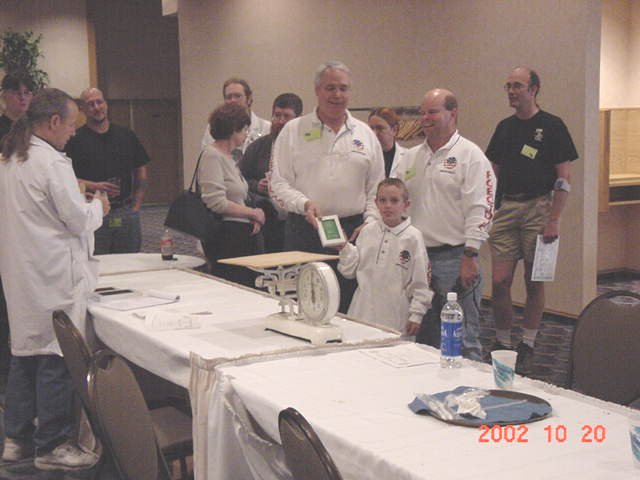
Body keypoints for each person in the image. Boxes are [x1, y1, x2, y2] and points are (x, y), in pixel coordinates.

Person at [0, 88, 109, 470]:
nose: (74, 132)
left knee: (24, 355)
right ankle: (52, 444)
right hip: (52, 274)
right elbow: (76, 220)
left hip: (23, 273)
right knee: (55, 357)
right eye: (71, 125)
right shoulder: (51, 163)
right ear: (53, 122)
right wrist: (98, 207)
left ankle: (16, 440)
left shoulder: (11, 157)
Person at [270, 61, 385, 313]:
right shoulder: (293, 131)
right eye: (330, 88)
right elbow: (278, 184)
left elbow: (376, 189)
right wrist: (304, 204)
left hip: (352, 233)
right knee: (305, 307)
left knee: (349, 308)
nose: (337, 95)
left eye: (343, 88)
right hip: (305, 230)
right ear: (317, 91)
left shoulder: (365, 134)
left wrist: (371, 221)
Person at [486, 67, 578, 375]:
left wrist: (554, 219)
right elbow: (493, 173)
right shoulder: (504, 128)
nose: (512, 91)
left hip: (539, 207)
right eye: (508, 86)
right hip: (507, 208)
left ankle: (528, 341)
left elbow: (564, 177)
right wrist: (490, 210)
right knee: (500, 281)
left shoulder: (552, 126)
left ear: (534, 89)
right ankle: (502, 340)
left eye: (518, 86)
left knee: (534, 280)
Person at [394, 88, 496, 361]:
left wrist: (470, 255)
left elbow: (481, 208)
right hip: (417, 258)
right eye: (422, 112)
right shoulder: (409, 157)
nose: (425, 118)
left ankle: (472, 385)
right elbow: (394, 201)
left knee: (462, 338)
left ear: (453, 114)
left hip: (456, 258)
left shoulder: (470, 156)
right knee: (423, 337)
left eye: (433, 112)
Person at [338, 178, 432, 334]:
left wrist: (417, 314)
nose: (388, 205)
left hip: (395, 315)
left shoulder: (413, 237)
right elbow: (350, 271)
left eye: (394, 201)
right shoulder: (367, 231)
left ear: (406, 204)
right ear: (376, 203)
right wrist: (344, 248)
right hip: (361, 311)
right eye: (383, 200)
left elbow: (421, 280)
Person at [65, 88, 150, 255]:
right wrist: (93, 185)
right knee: (96, 263)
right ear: (82, 109)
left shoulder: (126, 135)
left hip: (125, 212)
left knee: (130, 263)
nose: (97, 107)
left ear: (106, 104)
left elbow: (141, 168)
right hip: (92, 212)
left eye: (100, 102)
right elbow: (66, 179)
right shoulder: (74, 140)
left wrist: (136, 206)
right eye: (91, 104)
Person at [199, 103, 266, 286]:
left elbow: (238, 197)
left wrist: (251, 216)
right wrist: (252, 213)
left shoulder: (229, 157)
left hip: (240, 233)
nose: (246, 134)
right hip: (226, 236)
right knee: (234, 283)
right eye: (244, 129)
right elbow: (216, 202)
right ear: (233, 129)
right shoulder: (212, 155)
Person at [0, 72, 34, 379]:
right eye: (16, 92)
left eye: (27, 92)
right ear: (4, 96)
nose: (22, 97)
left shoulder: (35, 132)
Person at [239, 93, 303, 253]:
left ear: (298, 119)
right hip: (267, 220)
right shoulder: (258, 147)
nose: (280, 121)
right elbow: (240, 179)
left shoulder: (307, 148)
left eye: (286, 116)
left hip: (298, 218)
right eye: (277, 115)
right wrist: (257, 185)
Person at [201, 77, 271, 154]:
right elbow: (207, 153)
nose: (233, 100)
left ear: (249, 99)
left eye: (238, 96)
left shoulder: (267, 128)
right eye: (229, 97)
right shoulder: (215, 127)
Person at [368, 107, 407, 177]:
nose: (374, 133)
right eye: (371, 128)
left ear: (394, 130)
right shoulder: (364, 157)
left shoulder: (408, 157)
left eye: (380, 128)